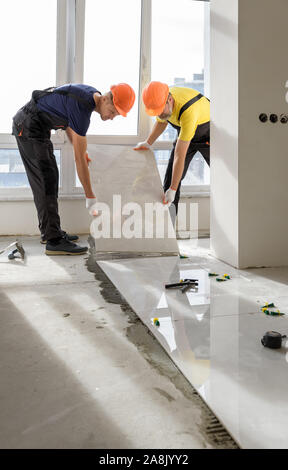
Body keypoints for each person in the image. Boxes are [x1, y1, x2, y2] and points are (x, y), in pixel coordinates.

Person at [12, 83, 135, 255]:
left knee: (50, 177)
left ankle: (50, 233)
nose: (112, 117)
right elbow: (79, 161)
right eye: (113, 111)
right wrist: (90, 196)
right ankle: (53, 241)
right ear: (106, 99)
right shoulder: (83, 107)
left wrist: (80, 150)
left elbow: (69, 123)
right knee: (46, 180)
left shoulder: (90, 96)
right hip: (28, 127)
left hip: (35, 128)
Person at [134, 81, 210, 214]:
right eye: (156, 112)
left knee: (224, 175)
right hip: (186, 133)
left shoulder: (188, 110)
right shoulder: (162, 101)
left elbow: (179, 155)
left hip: (209, 137)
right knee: (170, 183)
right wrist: (148, 142)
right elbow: (162, 122)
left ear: (170, 99)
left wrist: (173, 190)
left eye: (160, 110)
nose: (159, 114)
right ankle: (167, 229)